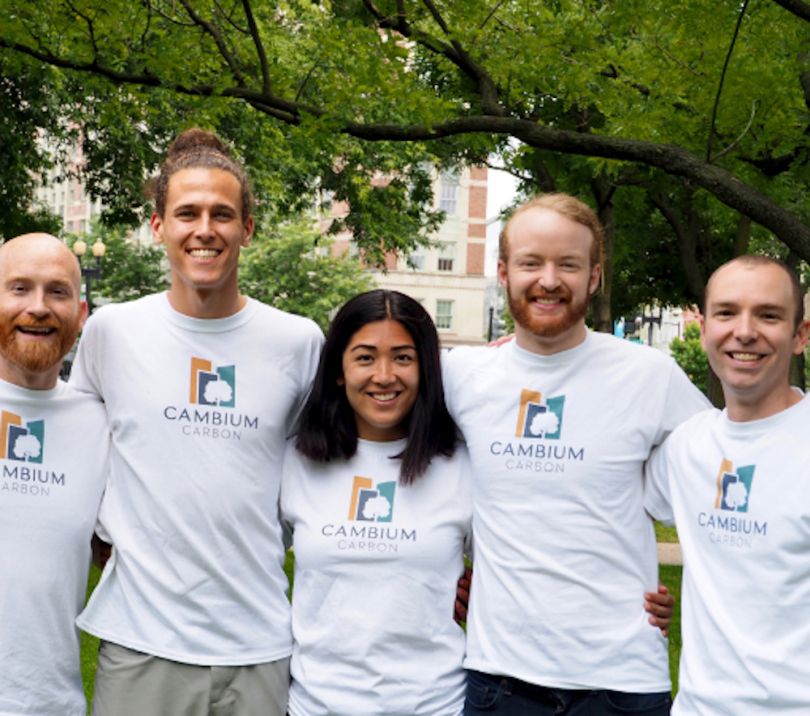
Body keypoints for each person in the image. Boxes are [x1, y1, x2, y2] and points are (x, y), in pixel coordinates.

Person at [70, 129, 323, 715]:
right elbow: (74, 444)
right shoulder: (112, 332)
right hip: (141, 643)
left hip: (259, 643)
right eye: (187, 213)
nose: (204, 229)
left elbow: (326, 470)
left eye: (222, 214)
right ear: (158, 226)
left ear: (248, 229)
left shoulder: (297, 342)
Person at [442, 193, 710, 715]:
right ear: (502, 272)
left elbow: (728, 480)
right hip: (500, 678)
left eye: (568, 264)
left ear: (594, 277)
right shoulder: (462, 376)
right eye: (530, 263)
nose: (548, 280)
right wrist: (441, 572)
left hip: (622, 682)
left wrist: (702, 596)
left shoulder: (649, 376)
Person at [280, 289, 471, 715]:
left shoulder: (462, 467)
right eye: (365, 358)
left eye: (403, 357)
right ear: (338, 371)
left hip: (436, 705)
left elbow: (516, 570)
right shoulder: (295, 462)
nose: (384, 376)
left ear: (426, 369)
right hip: (316, 705)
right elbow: (249, 563)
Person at [645, 255, 810, 714]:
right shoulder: (685, 447)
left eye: (769, 315)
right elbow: (606, 504)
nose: (744, 330)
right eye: (726, 312)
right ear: (702, 328)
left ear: (801, 335)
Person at [0, 233, 108, 715]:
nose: (38, 307)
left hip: (49, 703)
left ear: (81, 315)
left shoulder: (104, 426)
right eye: (19, 288)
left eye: (57, 291)